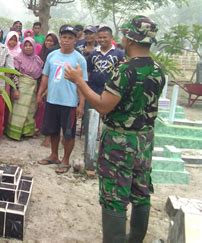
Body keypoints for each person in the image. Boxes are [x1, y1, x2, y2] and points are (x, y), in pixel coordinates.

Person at [64, 16, 165, 243]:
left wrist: (79, 81)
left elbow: (102, 105)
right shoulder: (158, 70)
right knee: (141, 192)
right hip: (145, 140)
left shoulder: (125, 70)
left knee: (114, 197)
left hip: (120, 142)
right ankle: (135, 239)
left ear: (129, 38)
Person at [36, 25, 87, 174]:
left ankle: (65, 160)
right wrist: (40, 94)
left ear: (75, 40)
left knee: (68, 133)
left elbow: (82, 84)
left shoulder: (79, 59)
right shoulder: (52, 55)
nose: (66, 41)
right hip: (52, 100)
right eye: (64, 37)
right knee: (53, 131)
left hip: (69, 103)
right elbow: (45, 76)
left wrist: (81, 104)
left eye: (70, 38)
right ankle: (54, 156)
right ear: (60, 38)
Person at [82, 25, 124, 134]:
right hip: (93, 90)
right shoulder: (93, 54)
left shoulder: (119, 54)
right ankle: (89, 142)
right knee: (90, 118)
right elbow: (88, 72)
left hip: (111, 91)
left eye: (105, 37)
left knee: (108, 118)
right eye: (100, 37)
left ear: (111, 37)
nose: (102, 40)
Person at [6, 37, 43, 140]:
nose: (28, 47)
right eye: (25, 45)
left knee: (30, 111)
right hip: (21, 87)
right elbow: (14, 75)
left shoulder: (38, 60)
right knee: (19, 111)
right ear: (22, 46)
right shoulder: (18, 58)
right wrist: (15, 89)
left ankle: (27, 132)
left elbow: (40, 76)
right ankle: (15, 133)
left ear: (34, 46)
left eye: (30, 45)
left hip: (33, 88)